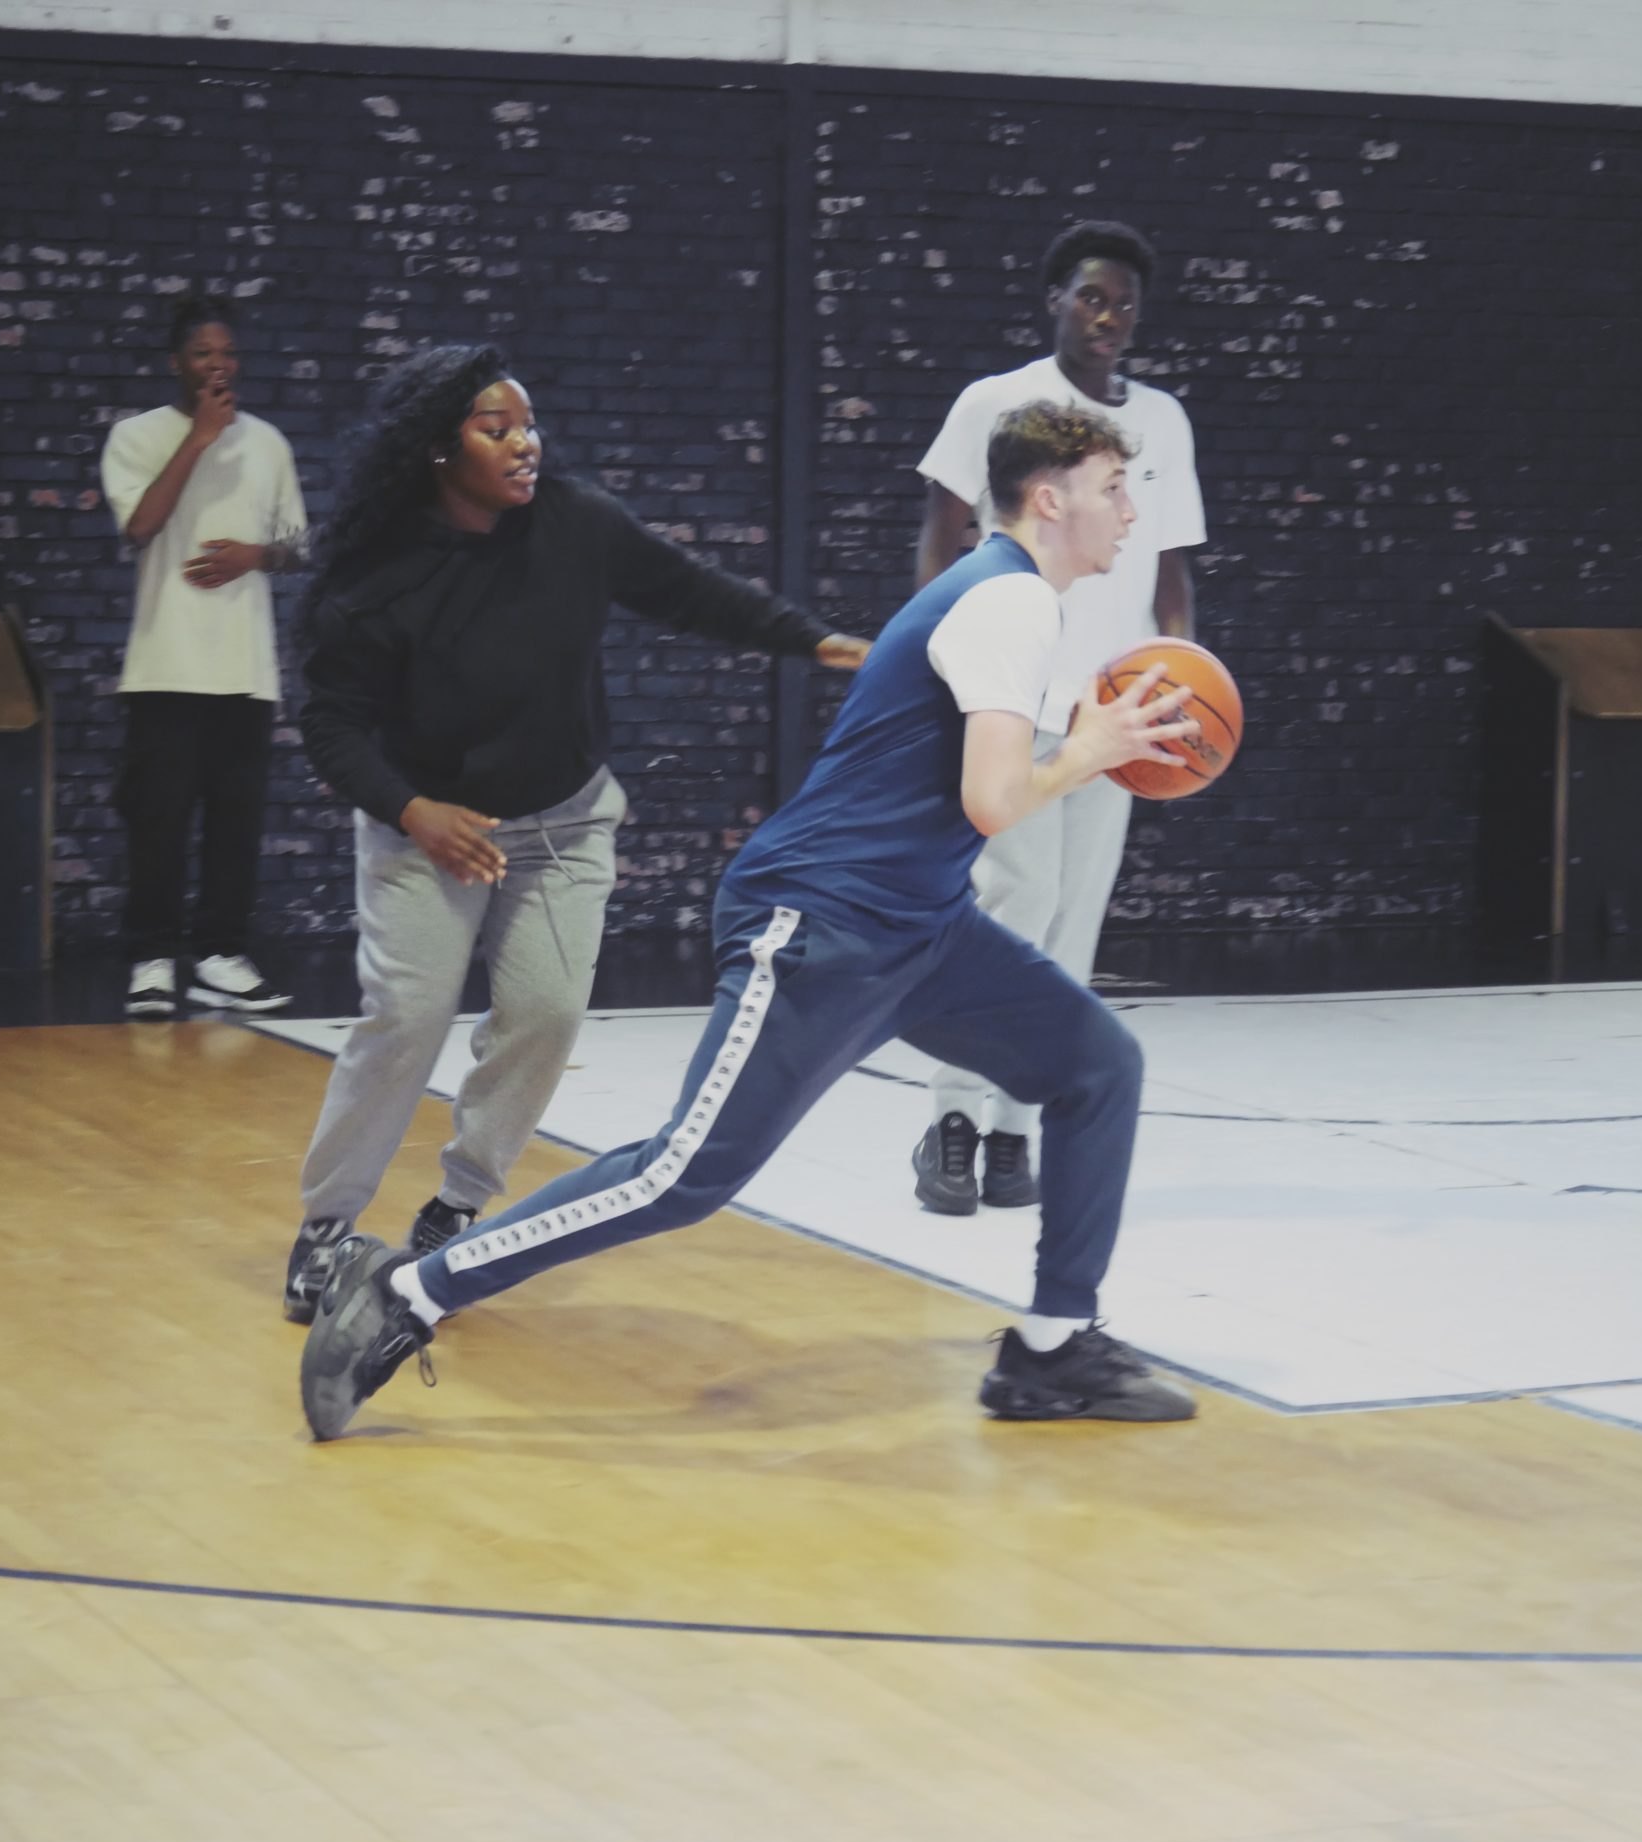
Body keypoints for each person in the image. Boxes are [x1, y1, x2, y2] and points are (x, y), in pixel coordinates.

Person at [299, 400, 1202, 1439]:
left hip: (920, 927)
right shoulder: (1006, 602)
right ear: (1049, 498)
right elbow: (993, 801)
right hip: (820, 922)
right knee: (686, 1176)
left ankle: (1053, 1347)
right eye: (1111, 487)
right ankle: (407, 1294)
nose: (1129, 509)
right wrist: (1092, 749)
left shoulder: (1015, 598)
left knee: (1097, 1066)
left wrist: (1086, 745)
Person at [284, 343, 869, 1323]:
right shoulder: (378, 581)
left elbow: (688, 590)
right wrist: (415, 813)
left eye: (529, 424)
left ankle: (457, 1210)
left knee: (547, 1015)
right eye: (495, 428)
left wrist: (815, 640)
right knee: (407, 1021)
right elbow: (330, 724)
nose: (525, 444)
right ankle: (327, 1228)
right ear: (437, 450)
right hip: (431, 832)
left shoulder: (573, 524)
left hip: (561, 823)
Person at [906, 220, 1207, 1215]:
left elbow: (1172, 571)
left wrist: (1177, 688)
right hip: (1016, 703)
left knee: (1071, 931)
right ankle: (949, 1118)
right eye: (1090, 296)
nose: (1108, 315)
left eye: (1123, 301)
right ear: (1053, 300)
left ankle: (1008, 1132)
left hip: (1109, 719)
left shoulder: (1162, 421)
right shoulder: (997, 402)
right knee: (1010, 911)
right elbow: (939, 538)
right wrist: (949, 670)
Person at [100, 294, 307, 1021]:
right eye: (202, 355)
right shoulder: (136, 437)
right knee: (158, 821)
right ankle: (152, 959)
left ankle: (220, 954)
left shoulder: (269, 445)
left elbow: (299, 547)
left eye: (227, 354)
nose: (217, 365)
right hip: (165, 665)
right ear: (175, 364)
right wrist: (199, 439)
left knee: (234, 823)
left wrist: (259, 554)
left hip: (244, 670)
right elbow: (141, 526)